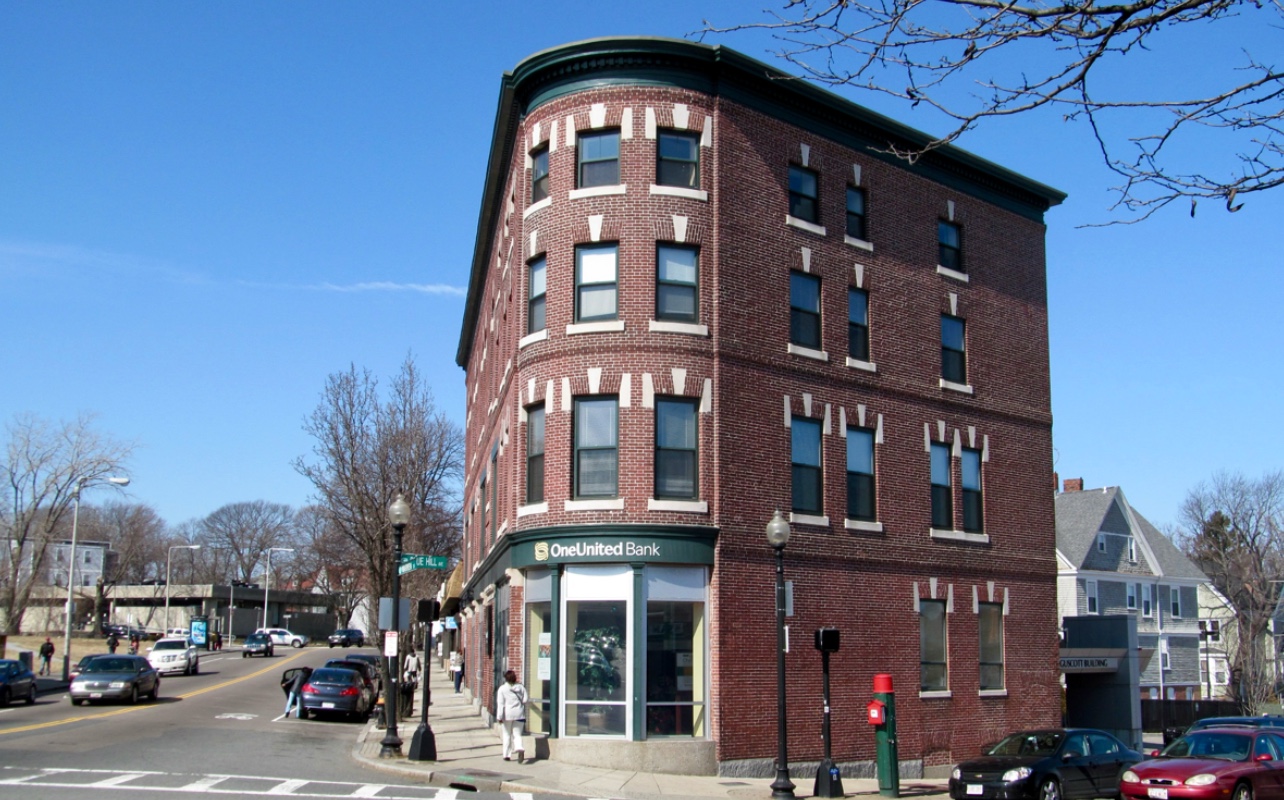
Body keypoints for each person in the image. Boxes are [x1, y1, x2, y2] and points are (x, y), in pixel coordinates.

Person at [495, 669, 529, 762]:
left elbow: (500, 704)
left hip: (507, 715)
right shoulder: (521, 687)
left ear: (505, 678)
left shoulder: (502, 689)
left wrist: (499, 717)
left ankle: (506, 755)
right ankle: (519, 748)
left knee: (507, 734)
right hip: (519, 714)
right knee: (517, 734)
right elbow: (525, 700)